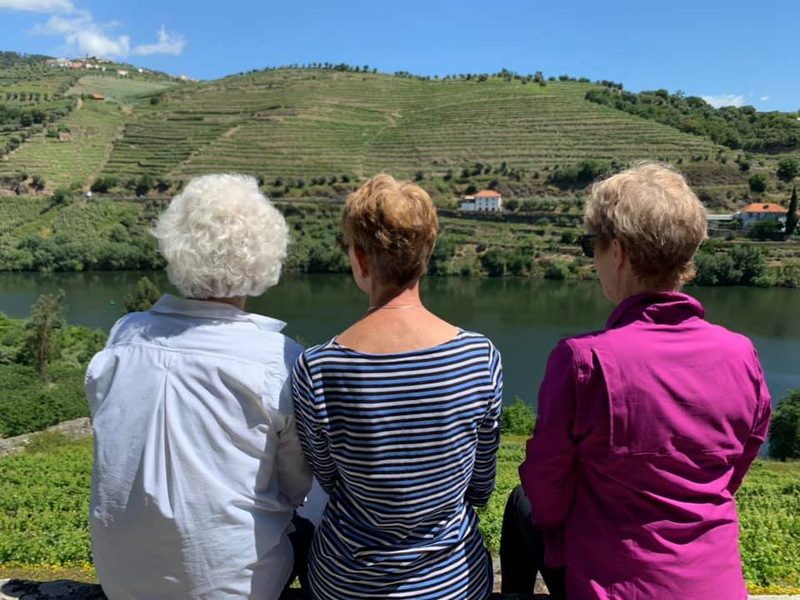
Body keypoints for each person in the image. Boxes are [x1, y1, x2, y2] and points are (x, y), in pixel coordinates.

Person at [502, 163, 772, 599]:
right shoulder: (741, 354)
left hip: (616, 584)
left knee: (522, 502)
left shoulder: (583, 361)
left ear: (618, 253)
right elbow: (738, 462)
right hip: (717, 583)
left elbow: (546, 489)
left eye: (591, 245)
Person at [86, 174, 313, 599]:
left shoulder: (123, 337)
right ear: (267, 254)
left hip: (121, 583)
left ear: (174, 246)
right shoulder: (278, 360)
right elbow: (296, 486)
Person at [292, 174, 502, 599]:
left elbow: (330, 480)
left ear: (360, 259)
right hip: (453, 584)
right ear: (428, 252)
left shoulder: (317, 368)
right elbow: (480, 487)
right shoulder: (479, 357)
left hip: (348, 584)